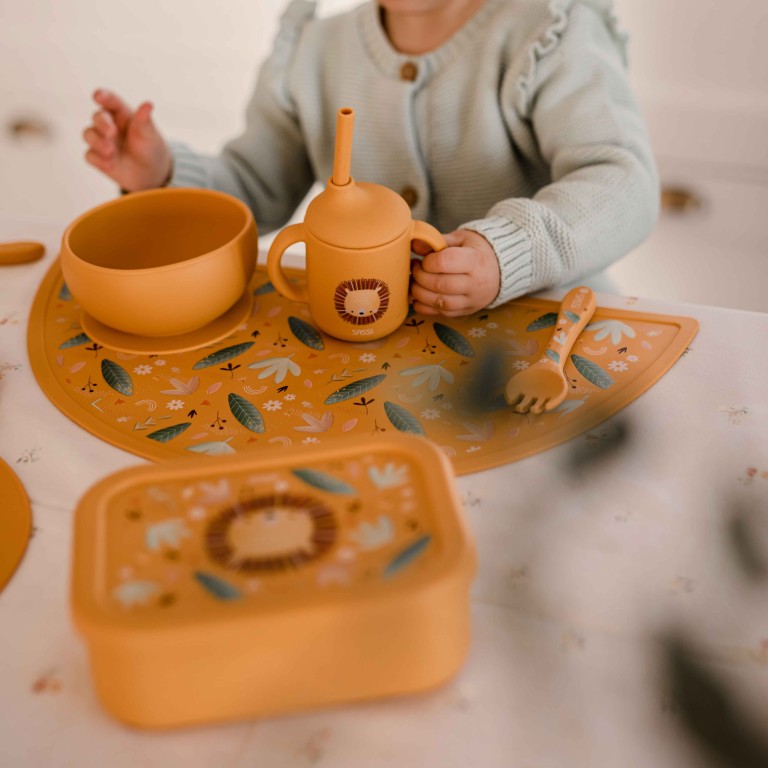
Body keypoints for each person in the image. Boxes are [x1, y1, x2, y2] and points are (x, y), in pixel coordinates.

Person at [83, 0, 659, 318]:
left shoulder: (549, 31)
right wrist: (160, 174)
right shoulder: (313, 49)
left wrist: (505, 254)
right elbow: (256, 190)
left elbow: (621, 181)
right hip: (383, 341)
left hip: (554, 330)